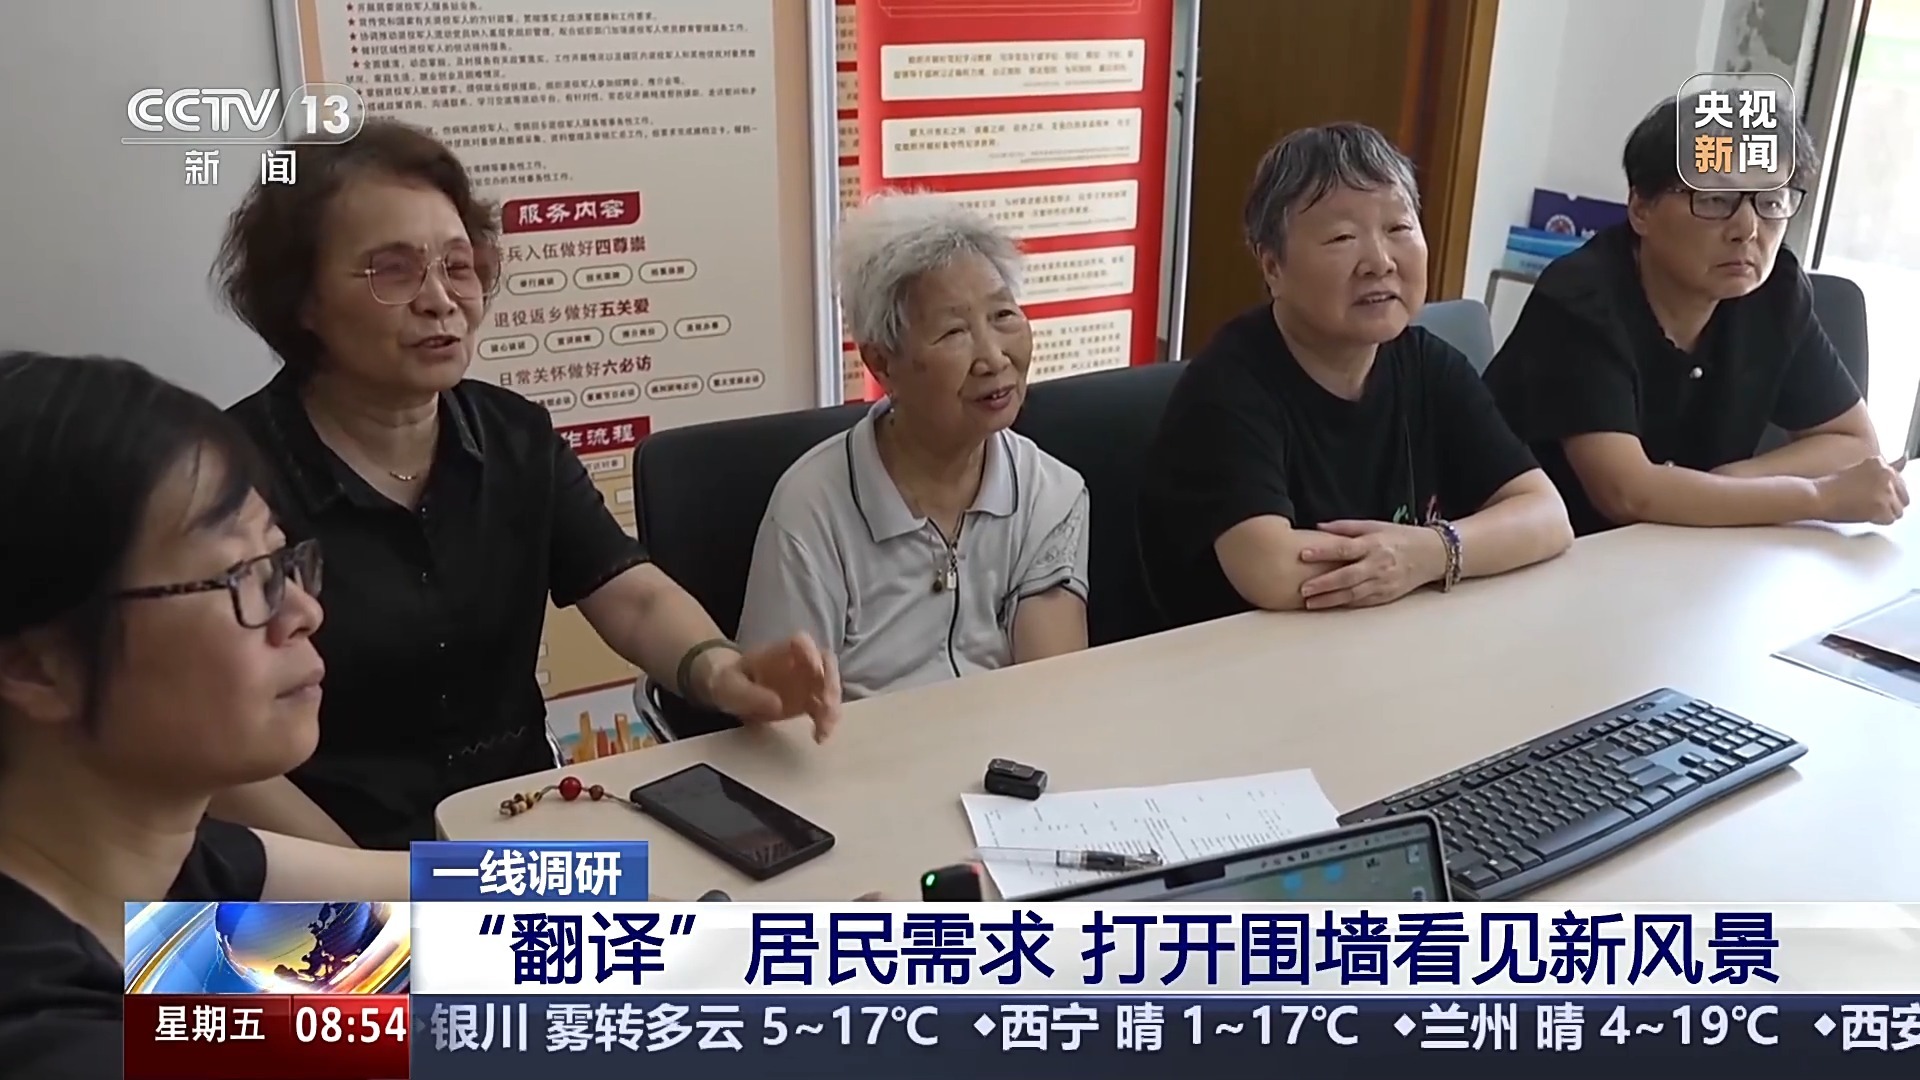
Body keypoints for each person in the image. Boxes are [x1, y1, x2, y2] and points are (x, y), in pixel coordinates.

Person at [213, 120, 839, 849]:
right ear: (304, 299)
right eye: (393, 271)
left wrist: (722, 671)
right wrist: (381, 888)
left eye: (458, 265)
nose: (441, 299)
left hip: (519, 826)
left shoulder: (513, 434)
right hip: (322, 859)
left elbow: (630, 595)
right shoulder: (223, 480)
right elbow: (213, 753)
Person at [0, 352, 416, 1078]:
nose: (303, 611)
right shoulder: (49, 1038)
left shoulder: (167, 866)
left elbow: (442, 898)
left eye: (280, 562)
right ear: (36, 664)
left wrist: (621, 899)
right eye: (238, 577)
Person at [1138, 123, 1573, 627]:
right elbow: (1273, 570)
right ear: (1273, 267)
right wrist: (1418, 556)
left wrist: (1430, 552)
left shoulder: (1427, 364)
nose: (1380, 262)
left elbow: (1546, 516)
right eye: (1343, 237)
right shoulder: (1226, 387)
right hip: (1237, 658)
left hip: (1383, 638)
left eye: (1398, 228)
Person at [1483, 97, 1905, 536]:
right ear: (1641, 209)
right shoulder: (1580, 298)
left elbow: (1854, 443)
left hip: (1676, 551)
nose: (1748, 229)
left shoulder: (1773, 292)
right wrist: (1819, 496)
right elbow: (1626, 493)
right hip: (1532, 552)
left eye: (1771, 201)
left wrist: (1728, 484)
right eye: (1716, 199)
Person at [735, 193, 1090, 700]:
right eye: (953, 332)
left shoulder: (1050, 494)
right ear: (882, 364)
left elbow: (1052, 693)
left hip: (1005, 745)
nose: (994, 358)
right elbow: (779, 708)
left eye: (1003, 315)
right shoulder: (812, 508)